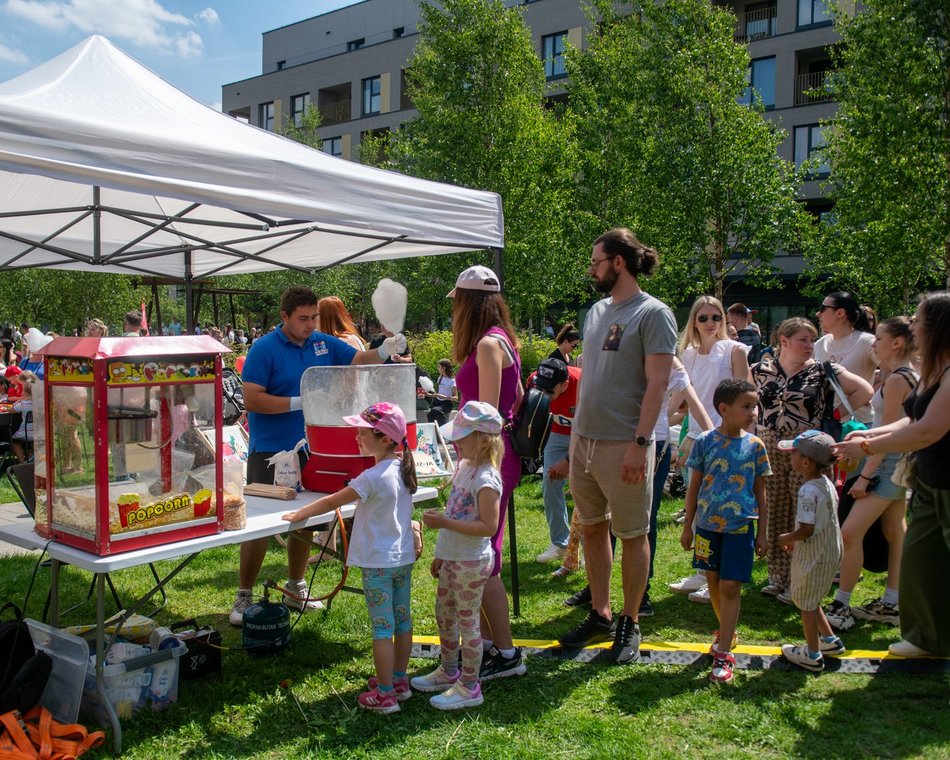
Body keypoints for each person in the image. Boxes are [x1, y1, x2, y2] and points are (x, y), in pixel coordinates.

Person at [230, 285, 406, 626]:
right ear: (284, 317)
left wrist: (384, 350)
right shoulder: (264, 349)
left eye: (313, 317)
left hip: (312, 449)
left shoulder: (321, 343)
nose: (310, 324)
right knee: (259, 528)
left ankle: (295, 587)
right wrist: (301, 401)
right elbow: (252, 399)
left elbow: (357, 361)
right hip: (270, 450)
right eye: (303, 319)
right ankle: (244, 595)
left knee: (306, 519)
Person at [556, 228, 677, 664]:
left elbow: (659, 383)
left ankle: (630, 622)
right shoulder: (595, 312)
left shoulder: (653, 313)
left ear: (619, 262)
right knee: (591, 528)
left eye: (596, 262)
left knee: (632, 533)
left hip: (626, 441)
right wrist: (574, 440)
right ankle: (601, 613)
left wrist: (639, 443)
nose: (592, 269)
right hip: (585, 440)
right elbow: (592, 379)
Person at [833, 291, 950, 657]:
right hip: (929, 479)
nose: (913, 325)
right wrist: (869, 433)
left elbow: (929, 430)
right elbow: (911, 419)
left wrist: (867, 448)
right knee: (919, 557)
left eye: (918, 319)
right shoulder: (934, 370)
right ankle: (927, 638)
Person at [282, 402, 416, 714]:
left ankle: (385, 696)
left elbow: (333, 501)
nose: (356, 436)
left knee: (382, 628)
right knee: (402, 620)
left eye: (362, 432)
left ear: (384, 439)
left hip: (377, 564)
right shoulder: (403, 469)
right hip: (402, 559)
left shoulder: (372, 476)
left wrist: (299, 513)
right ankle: (399, 681)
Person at [753, 318, 873, 604]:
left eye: (812, 340)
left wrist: (835, 416)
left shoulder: (822, 370)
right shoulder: (761, 369)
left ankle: (801, 578)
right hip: (769, 441)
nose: (810, 346)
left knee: (806, 509)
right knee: (776, 506)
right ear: (784, 340)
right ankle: (778, 577)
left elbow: (865, 391)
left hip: (807, 445)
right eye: (803, 340)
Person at [448, 264, 526, 680]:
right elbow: (516, 397)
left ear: (467, 302)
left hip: (488, 457)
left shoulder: (487, 345)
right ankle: (487, 644)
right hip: (491, 455)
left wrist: (473, 462)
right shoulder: (502, 340)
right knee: (482, 552)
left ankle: (507, 654)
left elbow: (489, 416)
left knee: (485, 555)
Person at [825, 317, 917, 631]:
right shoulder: (901, 375)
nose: (873, 344)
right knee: (895, 533)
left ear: (897, 343)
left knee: (850, 533)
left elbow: (885, 437)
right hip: (895, 464)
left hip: (885, 466)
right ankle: (892, 602)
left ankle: (842, 604)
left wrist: (865, 477)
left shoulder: (897, 379)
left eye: (878, 339)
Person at [413, 401, 504, 710]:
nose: (455, 442)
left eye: (462, 437)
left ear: (481, 439)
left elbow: (488, 527)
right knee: (444, 614)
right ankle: (449, 669)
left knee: (468, 624)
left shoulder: (486, 479)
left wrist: (443, 523)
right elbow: (457, 513)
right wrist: (441, 554)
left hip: (471, 563)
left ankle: (469, 686)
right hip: (454, 559)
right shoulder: (465, 468)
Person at [679, 379, 770, 683]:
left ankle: (724, 652)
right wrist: (688, 526)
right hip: (706, 528)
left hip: (740, 527)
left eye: (754, 405)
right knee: (715, 584)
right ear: (724, 409)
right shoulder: (705, 442)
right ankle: (726, 631)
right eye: (746, 406)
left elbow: (761, 492)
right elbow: (694, 487)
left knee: (731, 587)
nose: (753, 412)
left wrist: (762, 532)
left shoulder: (756, 447)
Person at [669, 295, 751, 605]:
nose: (709, 323)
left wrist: (738, 437)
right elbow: (680, 397)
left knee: (722, 512)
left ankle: (716, 574)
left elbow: (746, 395)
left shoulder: (734, 350)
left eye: (715, 317)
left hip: (727, 439)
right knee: (699, 509)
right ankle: (703, 572)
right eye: (702, 318)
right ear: (693, 321)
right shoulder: (687, 355)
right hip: (696, 438)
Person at [777, 430, 847, 672]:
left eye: (793, 453)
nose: (790, 458)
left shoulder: (807, 491)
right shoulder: (826, 483)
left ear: (805, 462)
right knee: (811, 596)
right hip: (829, 550)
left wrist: (787, 537)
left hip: (815, 554)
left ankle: (812, 654)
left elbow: (806, 529)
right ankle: (829, 640)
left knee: (805, 604)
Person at [529, 358, 579, 564]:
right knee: (550, 484)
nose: (543, 394)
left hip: (584, 435)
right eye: (540, 388)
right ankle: (560, 543)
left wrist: (569, 460)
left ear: (565, 384)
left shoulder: (584, 384)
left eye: (550, 390)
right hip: (556, 434)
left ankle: (585, 547)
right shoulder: (533, 380)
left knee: (585, 489)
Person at [814, 291, 876, 424]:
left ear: (840, 313)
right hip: (825, 425)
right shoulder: (819, 344)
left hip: (858, 425)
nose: (817, 314)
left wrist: (878, 396)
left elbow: (895, 367)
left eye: (822, 308)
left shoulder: (866, 342)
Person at [10, 370, 39, 462]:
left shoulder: (24, 403)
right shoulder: (40, 398)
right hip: (39, 432)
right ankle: (34, 460)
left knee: (14, 438)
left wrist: (20, 401)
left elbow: (11, 410)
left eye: (22, 385)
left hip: (26, 433)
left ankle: (22, 462)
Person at [426, 359, 458, 427]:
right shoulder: (440, 378)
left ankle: (443, 430)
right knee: (430, 414)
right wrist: (429, 395)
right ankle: (433, 432)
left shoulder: (452, 381)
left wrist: (444, 397)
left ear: (443, 368)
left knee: (436, 410)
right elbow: (437, 394)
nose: (438, 368)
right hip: (437, 403)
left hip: (446, 404)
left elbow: (456, 398)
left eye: (439, 367)